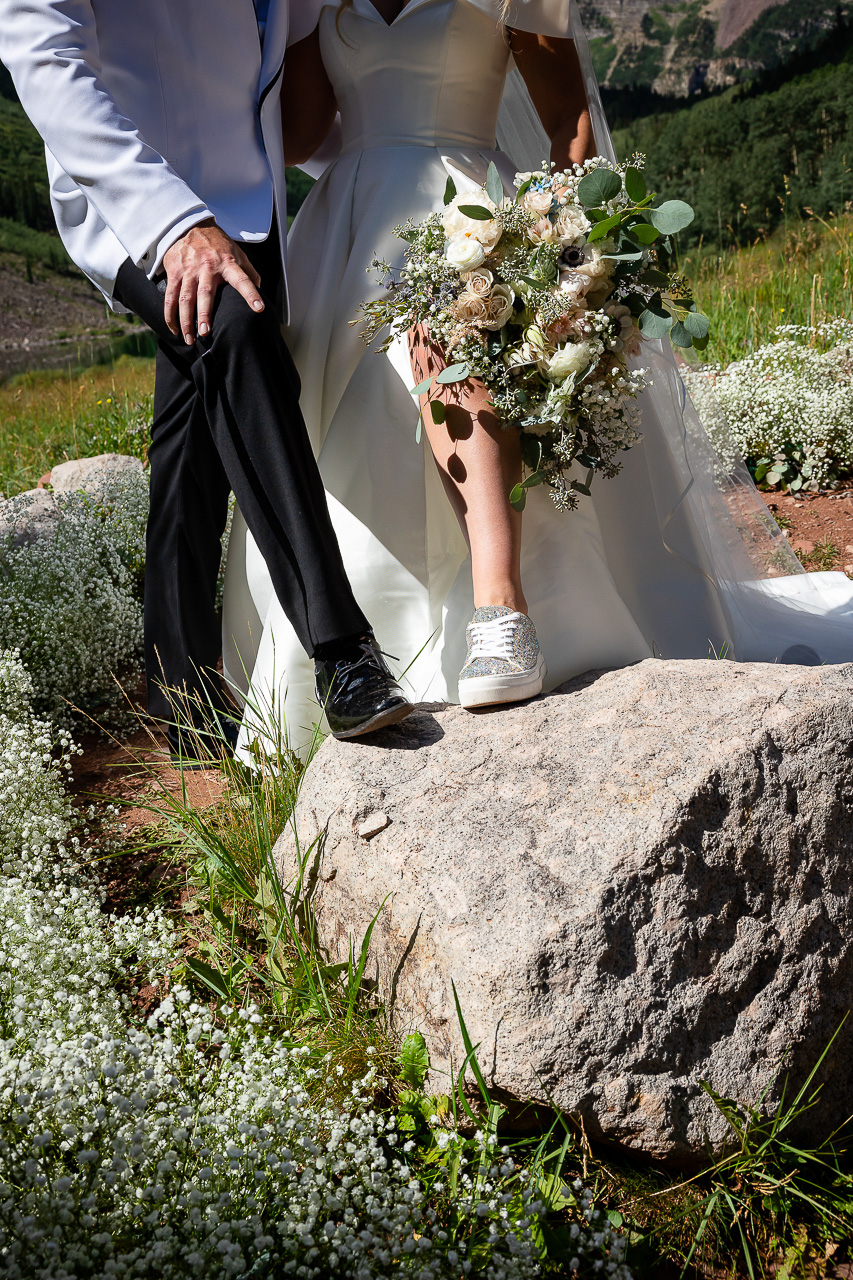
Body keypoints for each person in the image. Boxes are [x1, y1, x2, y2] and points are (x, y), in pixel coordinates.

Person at [223, 0, 853, 758]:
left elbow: (571, 122)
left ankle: (506, 619)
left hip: (466, 201)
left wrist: (562, 252)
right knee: (333, 428)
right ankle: (351, 659)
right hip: (346, 231)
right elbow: (298, 132)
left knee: (459, 345)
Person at [0, 0, 414, 758]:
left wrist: (397, 160)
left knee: (194, 434)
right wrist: (174, 224)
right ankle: (341, 652)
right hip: (135, 197)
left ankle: (181, 696)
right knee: (234, 327)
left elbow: (295, 84)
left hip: (254, 203)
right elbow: (42, 56)